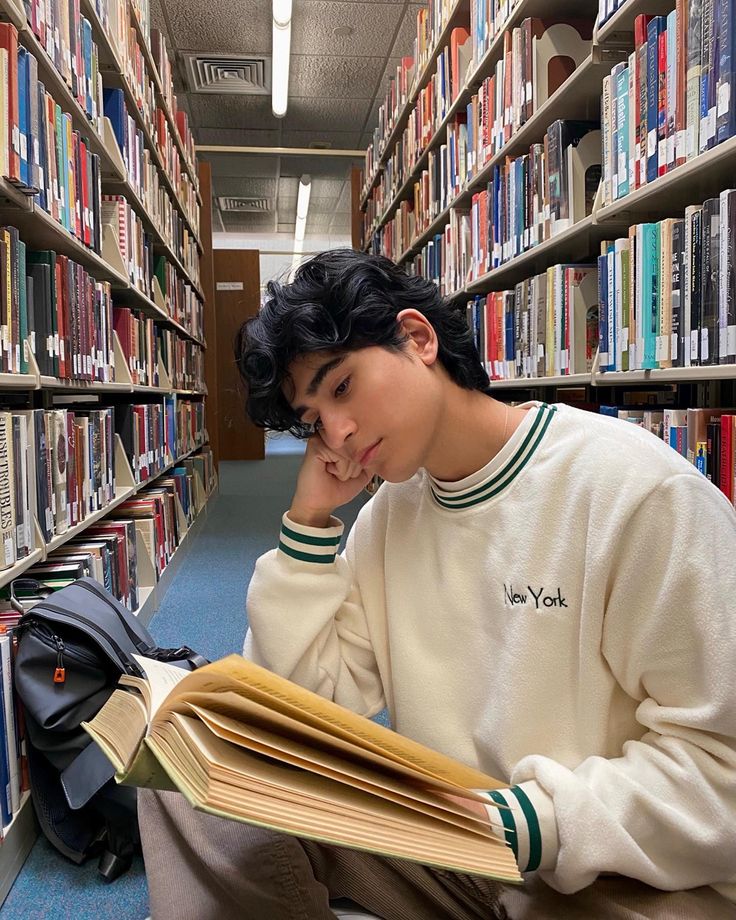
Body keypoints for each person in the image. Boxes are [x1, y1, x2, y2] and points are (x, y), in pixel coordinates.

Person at [139, 249, 736, 920]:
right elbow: (300, 708)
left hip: (614, 880)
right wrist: (307, 524)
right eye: (312, 422)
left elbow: (723, 772)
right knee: (192, 759)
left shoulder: (636, 492)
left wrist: (528, 823)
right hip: (457, 852)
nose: (334, 433)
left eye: (341, 387)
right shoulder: (391, 516)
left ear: (419, 339)